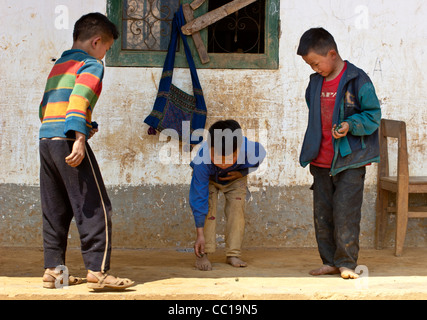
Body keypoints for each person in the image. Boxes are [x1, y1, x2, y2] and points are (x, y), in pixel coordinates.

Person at [39, 12, 134, 290]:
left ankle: (53, 271)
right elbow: (80, 98)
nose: (105, 54)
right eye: (107, 48)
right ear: (96, 41)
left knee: (55, 208)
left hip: (47, 139)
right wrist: (80, 137)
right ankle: (98, 271)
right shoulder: (91, 63)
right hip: (69, 140)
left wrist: (82, 126)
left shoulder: (60, 64)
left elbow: (45, 108)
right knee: (94, 206)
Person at [296, 28, 381, 279]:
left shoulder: (358, 80)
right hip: (321, 161)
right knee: (323, 215)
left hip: (350, 161)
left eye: (315, 63)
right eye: (310, 65)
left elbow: (373, 116)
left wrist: (350, 125)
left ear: (332, 54)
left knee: (346, 212)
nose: (314, 68)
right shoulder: (315, 83)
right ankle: (329, 261)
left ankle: (346, 263)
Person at [189, 120, 266, 271]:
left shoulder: (251, 149)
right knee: (208, 211)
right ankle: (203, 253)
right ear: (210, 148)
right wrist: (199, 234)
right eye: (217, 156)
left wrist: (242, 172)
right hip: (209, 180)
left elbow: (260, 156)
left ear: (239, 149)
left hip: (235, 179)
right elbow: (199, 199)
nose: (223, 163)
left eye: (229, 157)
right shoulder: (201, 161)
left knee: (236, 212)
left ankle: (233, 254)